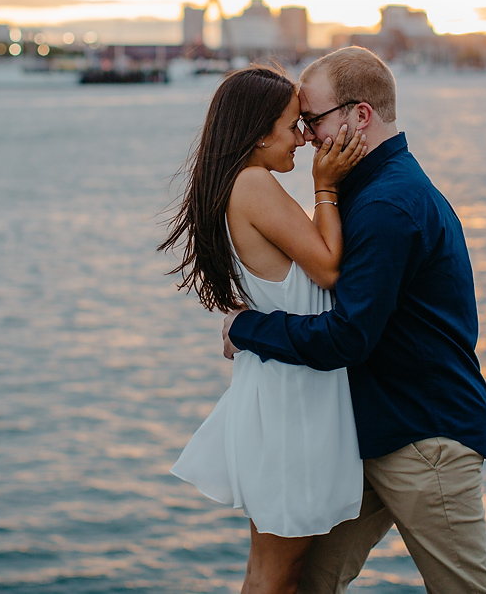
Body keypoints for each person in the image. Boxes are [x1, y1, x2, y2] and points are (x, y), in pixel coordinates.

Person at [222, 47, 486, 594]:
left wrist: (246, 329)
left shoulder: (386, 204)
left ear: (359, 116)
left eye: (314, 119)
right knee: (306, 581)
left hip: (424, 438)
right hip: (371, 430)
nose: (307, 136)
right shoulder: (368, 190)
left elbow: (348, 336)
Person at [161, 65, 370, 594]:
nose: (304, 136)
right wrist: (326, 185)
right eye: (292, 125)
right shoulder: (253, 185)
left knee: (272, 570)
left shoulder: (241, 185)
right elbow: (326, 268)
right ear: (258, 133)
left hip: (283, 392)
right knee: (276, 574)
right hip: (291, 404)